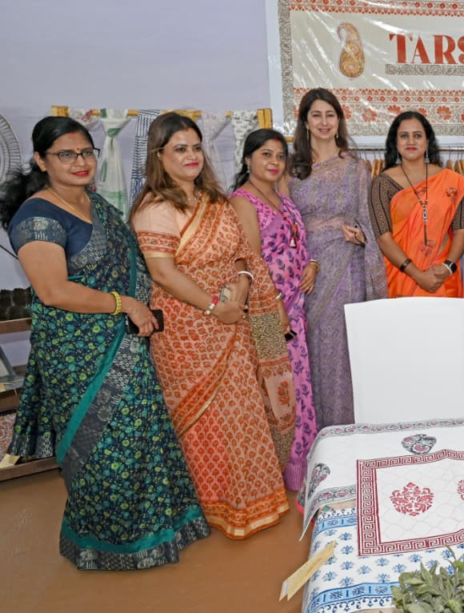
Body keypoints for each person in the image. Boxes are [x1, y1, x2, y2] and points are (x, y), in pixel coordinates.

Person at [0, 117, 209, 569]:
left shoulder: (93, 202)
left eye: (86, 152)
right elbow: (53, 290)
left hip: (127, 343)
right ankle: (110, 547)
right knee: (103, 452)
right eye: (66, 154)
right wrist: (125, 304)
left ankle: (158, 534)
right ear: (41, 160)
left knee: (142, 441)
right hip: (79, 355)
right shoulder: (36, 217)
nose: (80, 162)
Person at [131, 113, 292, 539]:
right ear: (159, 155)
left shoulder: (215, 201)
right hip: (188, 331)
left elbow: (243, 254)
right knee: (206, 424)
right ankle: (212, 508)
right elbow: (163, 273)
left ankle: (254, 502)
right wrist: (214, 307)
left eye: (196, 147)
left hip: (233, 319)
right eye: (179, 148)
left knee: (243, 415)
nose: (191, 156)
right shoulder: (155, 208)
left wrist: (241, 289)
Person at [288, 88, 387, 428]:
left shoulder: (356, 168)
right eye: (316, 115)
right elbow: (284, 222)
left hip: (346, 269)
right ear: (305, 122)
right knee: (309, 350)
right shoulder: (291, 170)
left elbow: (367, 222)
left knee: (342, 352)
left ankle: (346, 431)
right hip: (303, 273)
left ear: (339, 120)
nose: (324, 122)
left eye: (330, 115)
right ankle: (311, 434)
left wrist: (360, 235)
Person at [230, 128, 317, 491]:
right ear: (247, 158)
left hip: (296, 305)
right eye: (266, 154)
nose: (274, 162)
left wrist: (311, 264)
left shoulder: (281, 195)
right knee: (280, 392)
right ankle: (283, 474)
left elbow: (298, 242)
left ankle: (304, 468)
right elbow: (251, 261)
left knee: (300, 387)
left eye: (280, 156)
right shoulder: (243, 201)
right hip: (268, 311)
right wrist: (277, 305)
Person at [370, 110, 464, 298]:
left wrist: (448, 267)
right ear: (395, 142)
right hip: (400, 276)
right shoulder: (382, 183)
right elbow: (383, 238)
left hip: (441, 278)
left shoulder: (450, 181)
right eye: (404, 136)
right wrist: (417, 274)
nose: (411, 141)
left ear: (427, 142)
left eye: (417, 135)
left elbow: (461, 230)